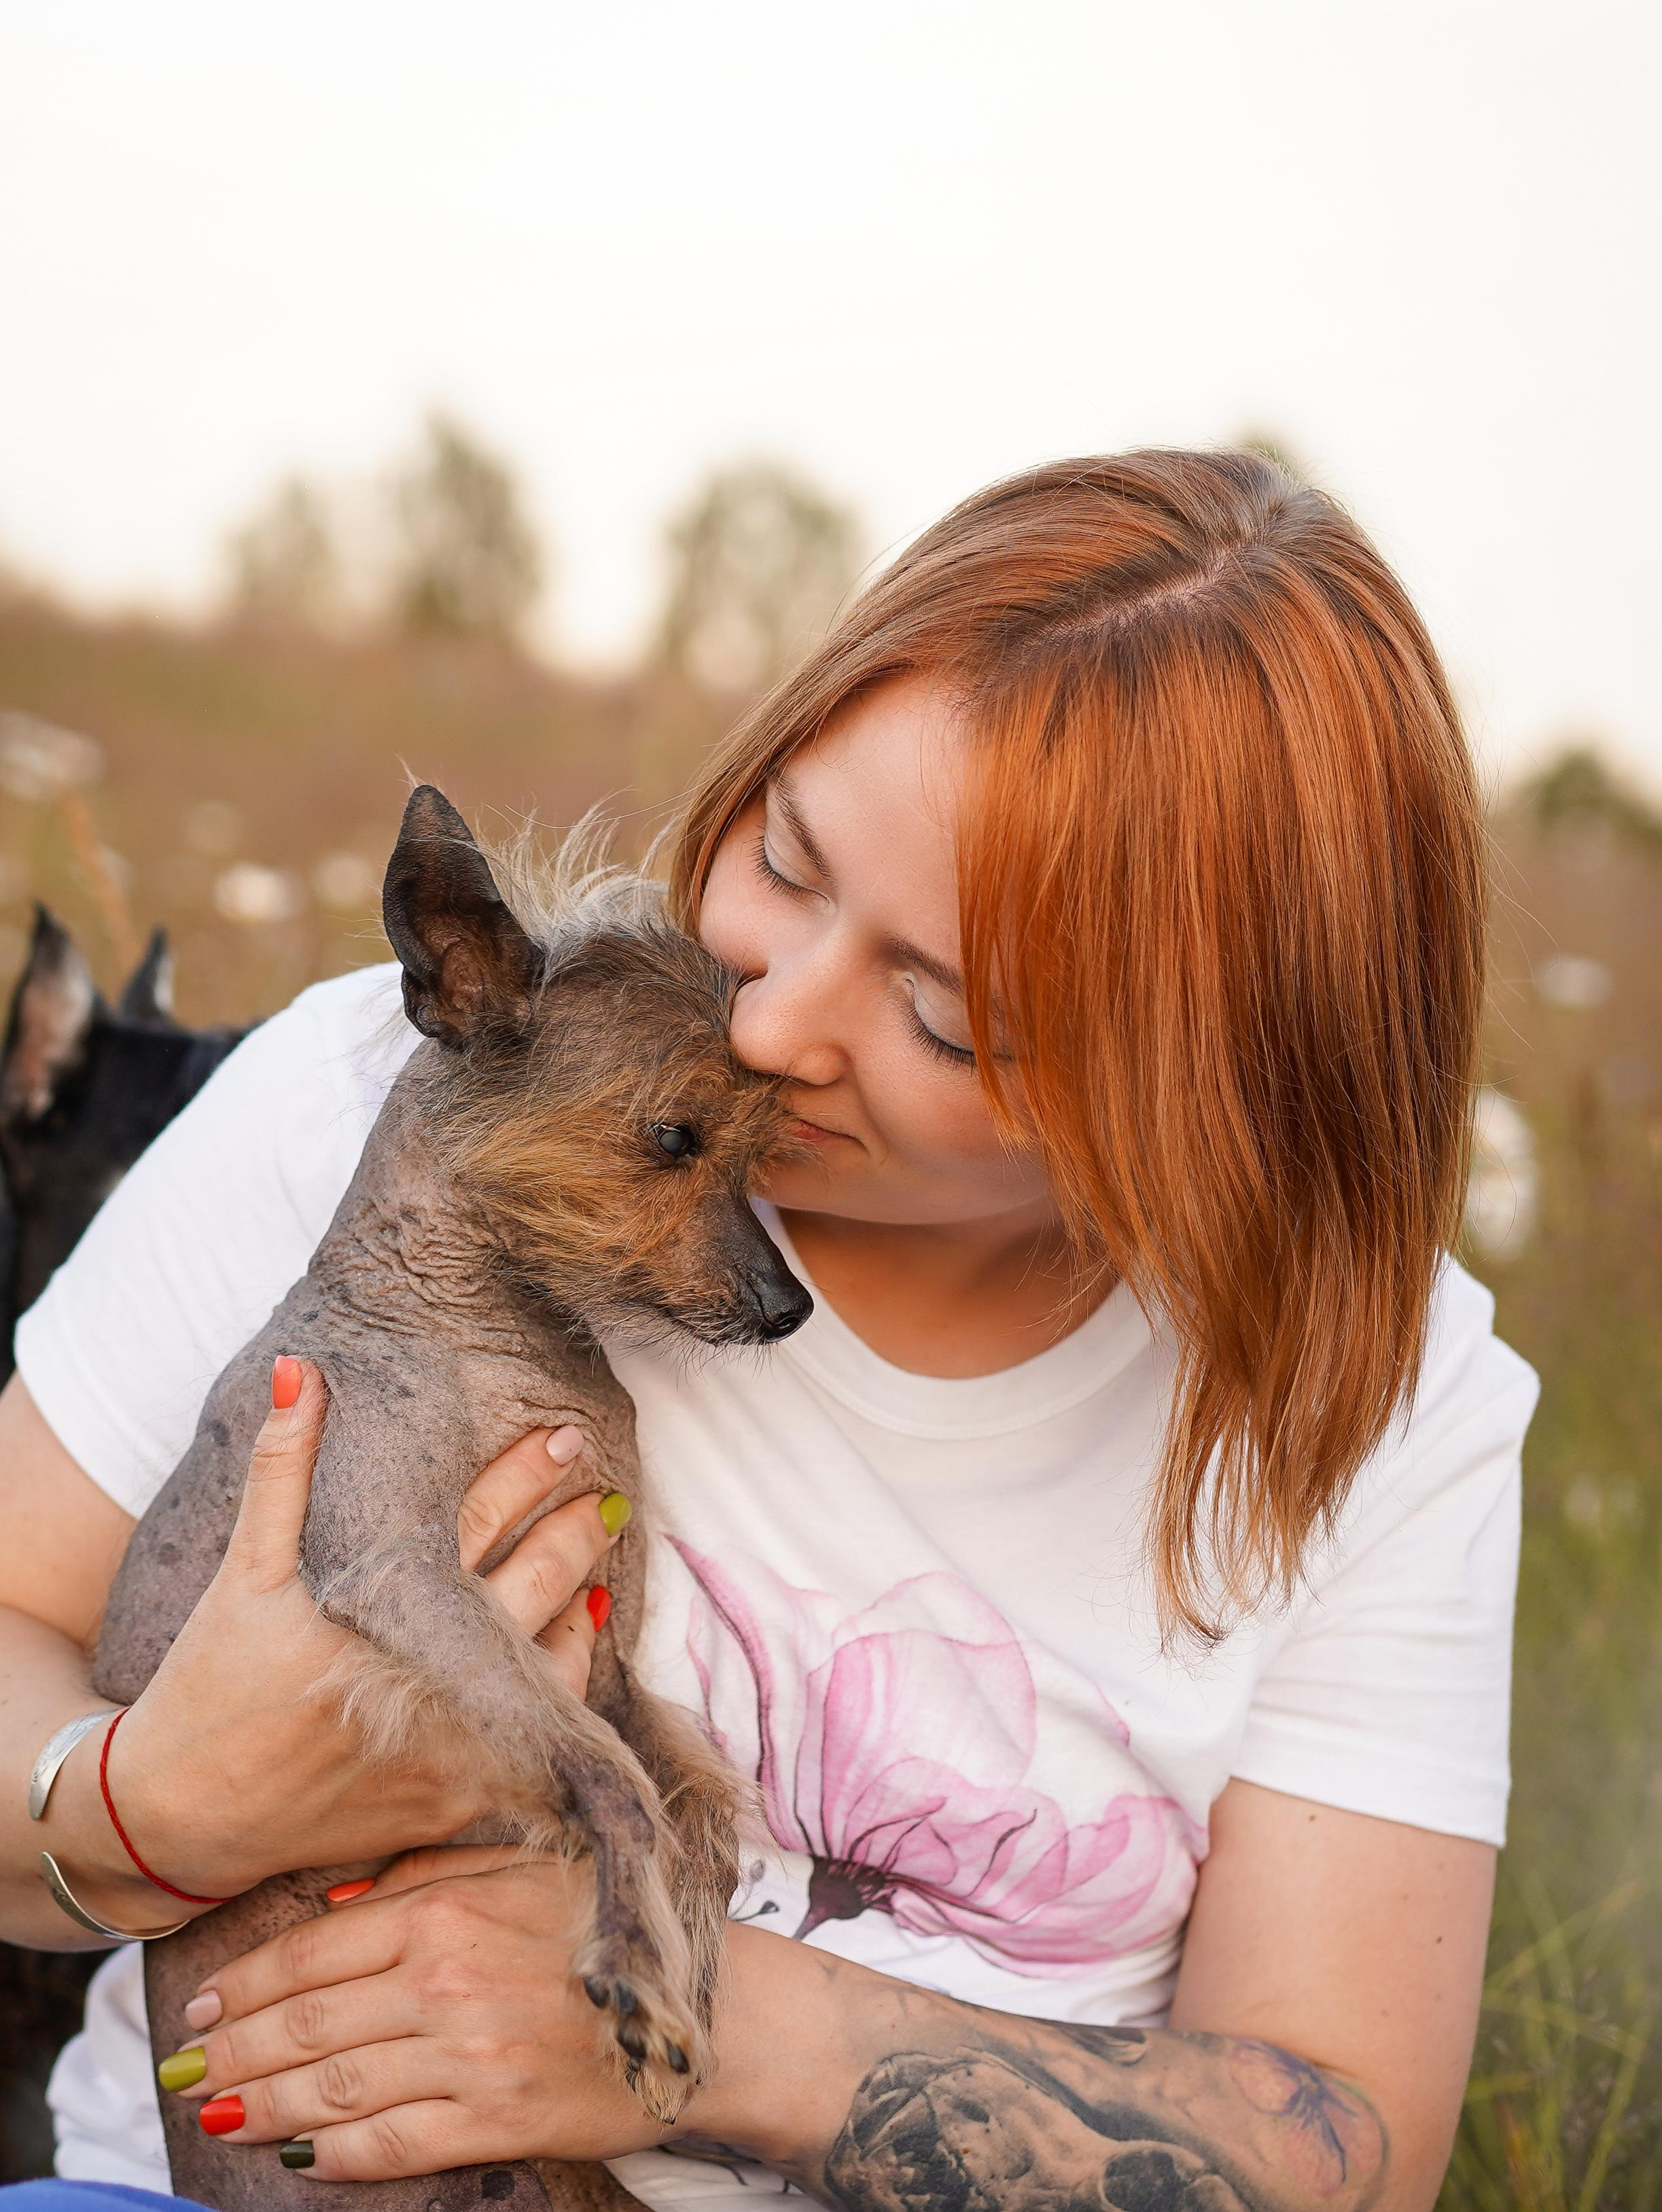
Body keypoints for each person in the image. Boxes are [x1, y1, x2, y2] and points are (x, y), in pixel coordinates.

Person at [0, 452, 1535, 2212]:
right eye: (786, 861)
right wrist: (144, 1805)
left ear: (1200, 1104)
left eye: (949, 1020)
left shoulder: (1373, 1397)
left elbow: (1345, 2146)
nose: (779, 1023)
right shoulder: (413, 1097)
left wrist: (711, 2024)